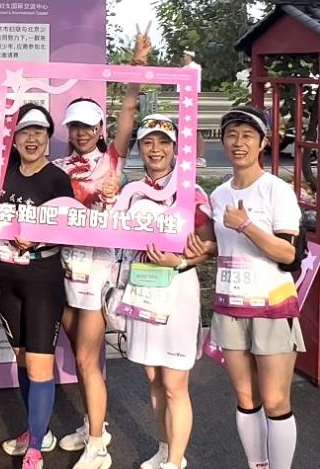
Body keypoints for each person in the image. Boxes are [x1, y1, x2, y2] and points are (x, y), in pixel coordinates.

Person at [52, 26, 150, 469]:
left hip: (97, 270)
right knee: (80, 356)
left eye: (88, 126)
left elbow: (128, 111)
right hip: (63, 268)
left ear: (99, 128)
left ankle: (97, 446)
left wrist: (138, 66)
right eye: (75, 126)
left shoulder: (112, 160)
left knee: (88, 359)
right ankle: (95, 423)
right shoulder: (57, 167)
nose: (81, 133)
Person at [190, 106, 304, 469]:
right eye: (232, 135)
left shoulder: (276, 190)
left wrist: (246, 226)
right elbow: (224, 247)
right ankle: (257, 465)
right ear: (223, 141)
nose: (239, 143)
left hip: (272, 307)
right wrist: (204, 249)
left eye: (247, 136)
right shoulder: (220, 194)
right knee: (245, 397)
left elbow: (289, 254)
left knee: (275, 399)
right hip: (230, 307)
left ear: (263, 142)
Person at [119, 115, 215, 469]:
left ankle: (175, 461)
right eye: (148, 142)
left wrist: (181, 259)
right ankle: (164, 449)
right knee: (155, 379)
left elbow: (211, 243)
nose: (155, 149)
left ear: (175, 149)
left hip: (178, 291)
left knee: (175, 383)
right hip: (143, 289)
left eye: (163, 142)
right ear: (139, 148)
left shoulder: (190, 191)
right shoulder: (131, 191)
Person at [0, 104, 74, 469]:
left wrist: (38, 238)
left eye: (39, 132)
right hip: (8, 279)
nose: (32, 139)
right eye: (24, 131)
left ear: (48, 138)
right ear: (15, 138)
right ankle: (37, 430)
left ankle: (36, 449)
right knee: (23, 360)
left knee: (40, 366)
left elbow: (70, 227)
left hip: (43, 280)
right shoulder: (5, 172)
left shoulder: (57, 179)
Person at [181, 50, 206, 168]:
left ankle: (199, 157)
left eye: (185, 56)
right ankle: (183, 157)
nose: (183, 57)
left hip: (192, 99)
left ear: (189, 56)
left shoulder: (195, 67)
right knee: (182, 130)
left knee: (196, 129)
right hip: (182, 99)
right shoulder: (184, 69)